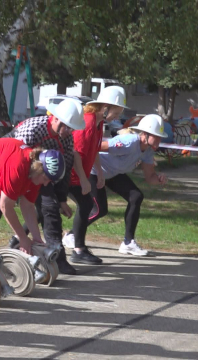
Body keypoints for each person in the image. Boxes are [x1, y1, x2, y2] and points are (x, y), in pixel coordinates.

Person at [6, 99, 87, 275]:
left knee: (49, 207)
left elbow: (64, 167)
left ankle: (20, 241)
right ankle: (57, 258)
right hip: (18, 168)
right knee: (48, 207)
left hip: (41, 172)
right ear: (56, 119)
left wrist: (63, 198)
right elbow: (17, 156)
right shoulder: (34, 128)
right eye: (67, 126)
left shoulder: (66, 137)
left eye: (72, 128)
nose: (70, 132)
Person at [62, 86, 128, 264]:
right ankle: (78, 249)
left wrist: (99, 172)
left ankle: (79, 249)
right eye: (117, 111)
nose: (118, 116)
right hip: (69, 173)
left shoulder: (98, 124)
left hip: (79, 173)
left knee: (84, 206)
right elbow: (76, 153)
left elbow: (94, 151)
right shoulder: (88, 122)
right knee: (78, 206)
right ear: (105, 107)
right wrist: (83, 179)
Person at [88, 114, 168, 256]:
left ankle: (128, 243)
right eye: (157, 136)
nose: (159, 140)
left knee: (136, 196)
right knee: (100, 210)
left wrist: (159, 180)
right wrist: (96, 171)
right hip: (94, 171)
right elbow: (95, 147)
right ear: (146, 134)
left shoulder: (148, 151)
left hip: (113, 174)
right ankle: (72, 235)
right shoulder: (128, 142)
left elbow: (150, 178)